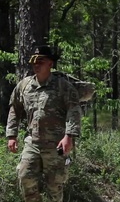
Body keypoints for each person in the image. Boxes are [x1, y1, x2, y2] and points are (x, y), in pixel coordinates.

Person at [6, 45, 82, 202]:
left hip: (56, 145)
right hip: (32, 143)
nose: (36, 64)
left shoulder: (63, 86)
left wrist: (69, 136)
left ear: (50, 64)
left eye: (41, 61)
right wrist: (11, 135)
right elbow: (15, 109)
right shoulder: (24, 86)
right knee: (25, 177)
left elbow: (73, 110)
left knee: (55, 186)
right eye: (34, 61)